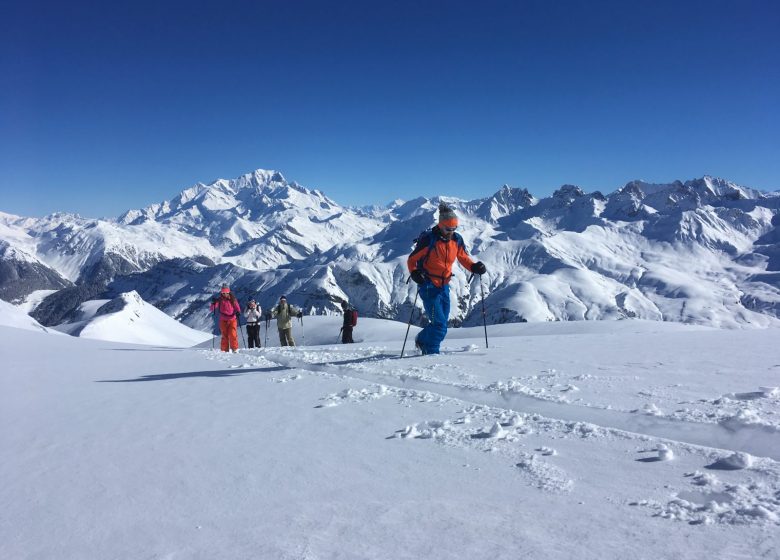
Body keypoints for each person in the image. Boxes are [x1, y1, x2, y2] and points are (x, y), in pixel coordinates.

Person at [407, 202, 487, 355]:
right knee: (440, 326)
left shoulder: (456, 240)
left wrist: (474, 267)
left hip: (444, 286)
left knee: (441, 324)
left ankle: (422, 339)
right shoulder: (429, 240)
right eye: (448, 229)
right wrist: (415, 273)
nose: (451, 232)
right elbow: (412, 260)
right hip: (428, 285)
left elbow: (463, 257)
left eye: (454, 228)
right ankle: (431, 354)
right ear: (440, 225)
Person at [209, 284, 241, 352]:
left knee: (233, 334)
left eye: (226, 292)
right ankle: (224, 350)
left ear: (229, 292)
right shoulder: (219, 300)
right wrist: (213, 303)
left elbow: (237, 307)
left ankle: (234, 349)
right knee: (224, 335)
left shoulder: (233, 299)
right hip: (223, 320)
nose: (225, 294)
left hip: (232, 319)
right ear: (221, 292)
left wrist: (238, 312)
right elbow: (212, 309)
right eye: (223, 293)